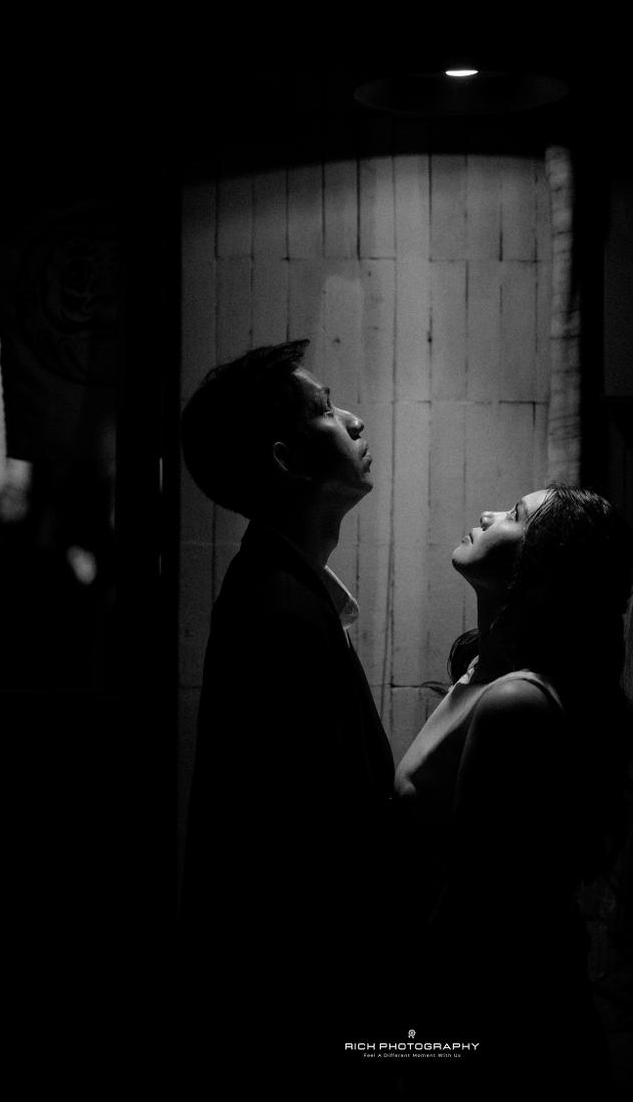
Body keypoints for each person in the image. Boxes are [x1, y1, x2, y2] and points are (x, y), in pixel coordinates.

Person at [394, 485, 633, 1096]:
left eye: (515, 516)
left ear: (544, 571)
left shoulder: (518, 702)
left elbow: (474, 909)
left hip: (508, 1034)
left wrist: (402, 1040)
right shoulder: (485, 678)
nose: (487, 514)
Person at [178, 340, 395, 1088]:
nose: (354, 420)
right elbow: (308, 858)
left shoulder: (282, 594)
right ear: (287, 459)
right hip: (302, 1033)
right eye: (326, 409)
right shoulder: (280, 615)